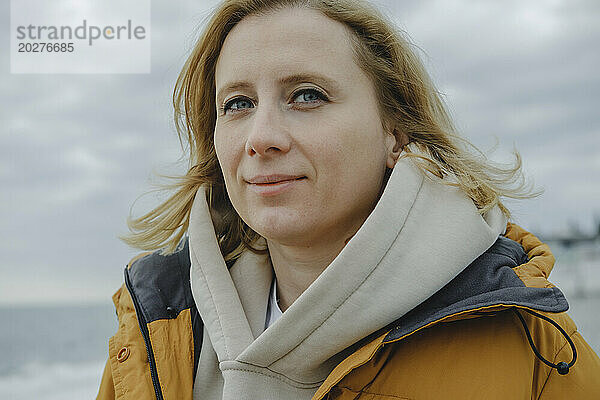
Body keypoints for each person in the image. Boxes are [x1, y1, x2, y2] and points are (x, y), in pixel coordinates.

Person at [97, 0, 600, 399]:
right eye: (238, 103)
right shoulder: (154, 331)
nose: (261, 136)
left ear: (394, 131)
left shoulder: (531, 346)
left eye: (307, 95)